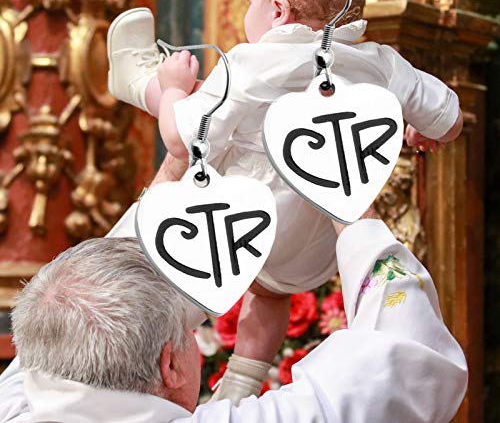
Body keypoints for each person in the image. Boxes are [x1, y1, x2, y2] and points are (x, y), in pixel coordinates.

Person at [106, 0, 465, 404]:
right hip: (309, 252)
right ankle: (240, 385)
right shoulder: (380, 63)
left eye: (249, 1)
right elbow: (451, 118)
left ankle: (144, 83)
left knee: (191, 97)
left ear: (277, 11)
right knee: (271, 294)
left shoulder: (248, 65)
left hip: (232, 230)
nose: (247, 11)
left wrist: (173, 89)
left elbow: (180, 139)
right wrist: (416, 124)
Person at [0, 173, 467, 422]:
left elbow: (91, 289)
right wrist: (347, 194)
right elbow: (408, 363)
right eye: (187, 331)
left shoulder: (15, 406)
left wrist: (178, 164)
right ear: (169, 365)